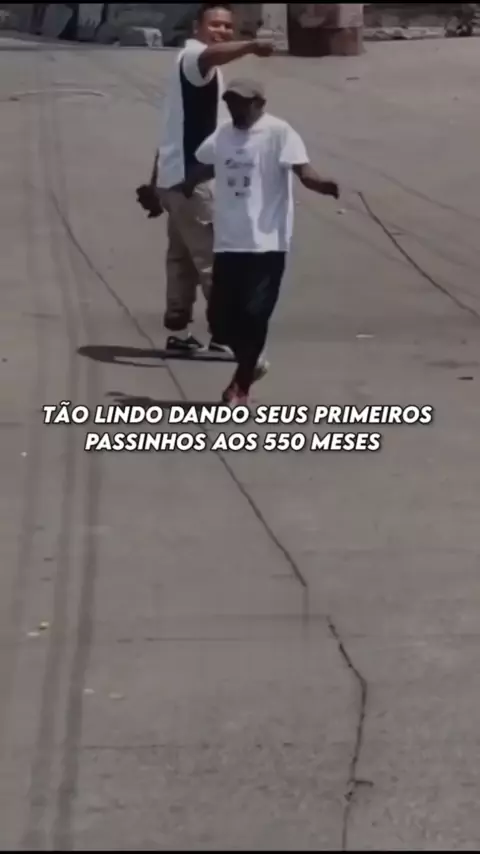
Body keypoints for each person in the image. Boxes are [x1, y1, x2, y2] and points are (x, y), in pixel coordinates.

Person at [183, 78, 340, 404]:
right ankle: (251, 360)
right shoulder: (223, 134)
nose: (234, 108)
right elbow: (207, 165)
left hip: (267, 242)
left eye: (241, 102)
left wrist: (323, 184)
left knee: (254, 315)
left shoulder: (279, 132)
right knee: (219, 321)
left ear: (259, 104)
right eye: (230, 102)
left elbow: (304, 172)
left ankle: (240, 385)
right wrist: (181, 185)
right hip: (228, 241)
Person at [156, 2, 273, 354]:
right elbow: (210, 57)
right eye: (215, 25)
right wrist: (251, 46)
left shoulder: (188, 67)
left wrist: (155, 182)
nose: (222, 31)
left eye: (227, 27)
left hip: (174, 180)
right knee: (214, 261)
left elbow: (171, 127)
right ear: (197, 28)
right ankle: (232, 336)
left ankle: (179, 328)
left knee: (181, 257)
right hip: (194, 182)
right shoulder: (195, 59)